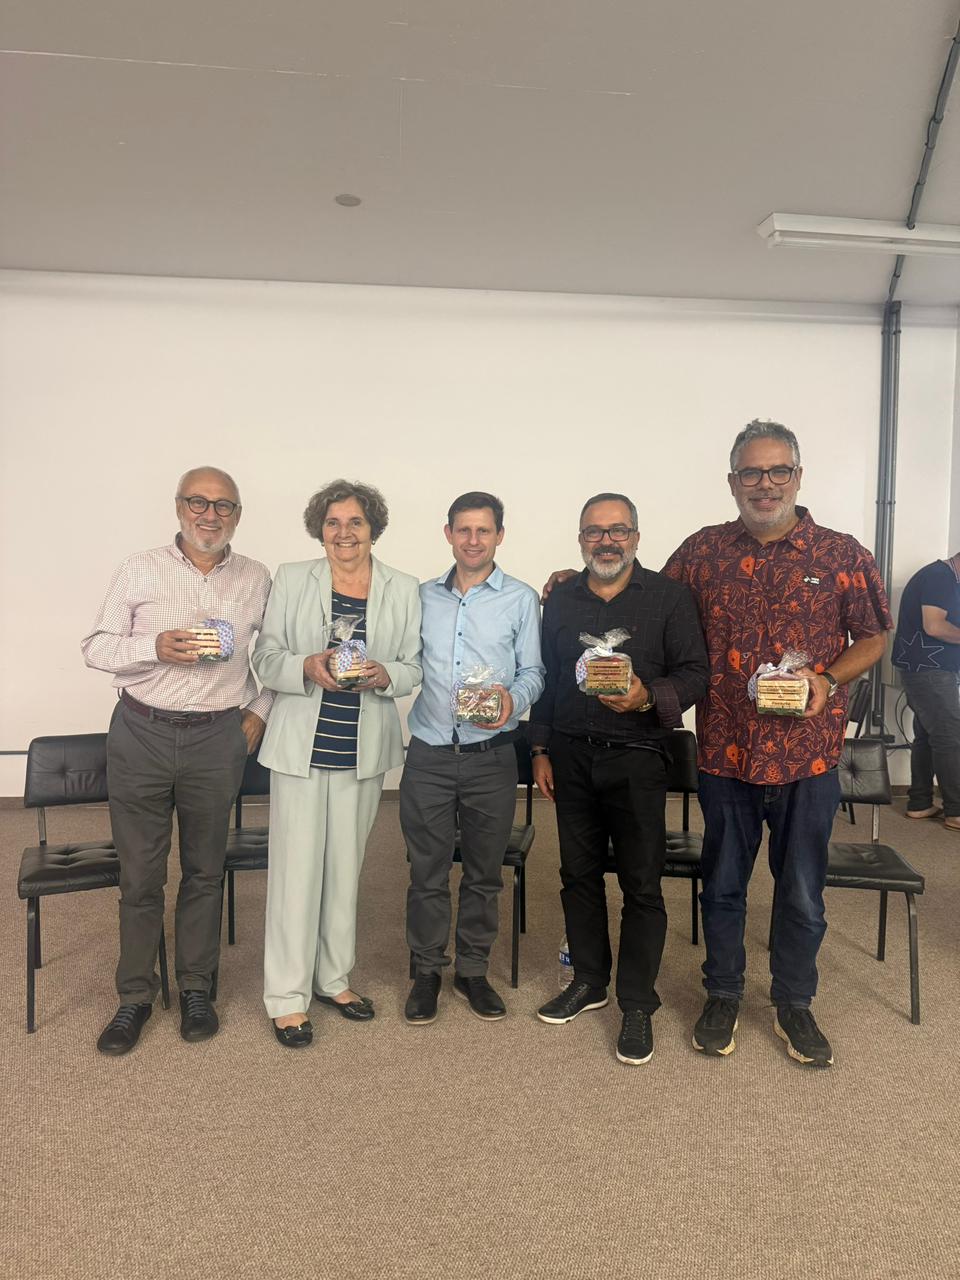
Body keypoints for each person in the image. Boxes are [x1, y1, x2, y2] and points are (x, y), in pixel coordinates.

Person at [663, 420, 891, 1067]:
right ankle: (723, 994)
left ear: (798, 476)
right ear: (732, 480)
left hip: (808, 759)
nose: (765, 484)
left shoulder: (841, 554)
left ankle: (794, 1002)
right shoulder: (701, 553)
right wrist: (579, 581)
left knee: (801, 895)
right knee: (723, 887)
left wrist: (827, 679)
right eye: (752, 472)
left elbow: (875, 636)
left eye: (778, 471)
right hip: (726, 755)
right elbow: (651, 605)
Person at [82, 467, 272, 1055]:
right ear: (179, 507)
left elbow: (276, 654)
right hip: (141, 732)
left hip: (217, 739)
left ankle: (196, 987)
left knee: (204, 871)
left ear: (237, 515)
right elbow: (96, 646)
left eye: (223, 505)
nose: (210, 515)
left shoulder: (256, 577)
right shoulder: (139, 567)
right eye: (198, 502)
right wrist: (154, 647)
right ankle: (135, 996)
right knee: (140, 875)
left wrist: (259, 712)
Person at [528, 493, 708, 1066]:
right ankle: (589, 981)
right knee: (577, 875)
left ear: (636, 536)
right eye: (594, 531)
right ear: (581, 538)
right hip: (571, 757)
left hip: (638, 758)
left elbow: (696, 673)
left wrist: (648, 696)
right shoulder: (560, 599)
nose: (606, 541)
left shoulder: (670, 597)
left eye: (618, 530)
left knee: (641, 883)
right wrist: (539, 749)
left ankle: (637, 1002)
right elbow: (547, 676)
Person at [252, 480, 421, 1048]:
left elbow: (414, 664)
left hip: (363, 749)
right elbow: (264, 656)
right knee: (295, 873)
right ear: (318, 529)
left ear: (373, 528)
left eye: (355, 522)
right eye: (332, 522)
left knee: (345, 870)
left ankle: (333, 979)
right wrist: (306, 665)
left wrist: (387, 674)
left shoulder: (403, 587)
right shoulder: (292, 577)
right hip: (300, 747)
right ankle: (286, 997)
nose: (343, 532)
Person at [401, 492, 544, 1024]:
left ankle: (473, 970)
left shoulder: (521, 599)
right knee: (427, 872)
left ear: (499, 536)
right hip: (429, 756)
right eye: (463, 529)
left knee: (484, 873)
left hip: (491, 757)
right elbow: (404, 661)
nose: (473, 540)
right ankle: (426, 971)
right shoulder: (420, 597)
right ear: (448, 534)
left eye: (484, 530)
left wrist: (513, 699)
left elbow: (535, 672)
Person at [892, 552, 960, 831]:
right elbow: (934, 625)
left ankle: (920, 803)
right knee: (949, 736)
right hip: (930, 672)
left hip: (927, 670)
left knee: (928, 736)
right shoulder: (939, 577)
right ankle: (956, 811)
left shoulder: (944, 577)